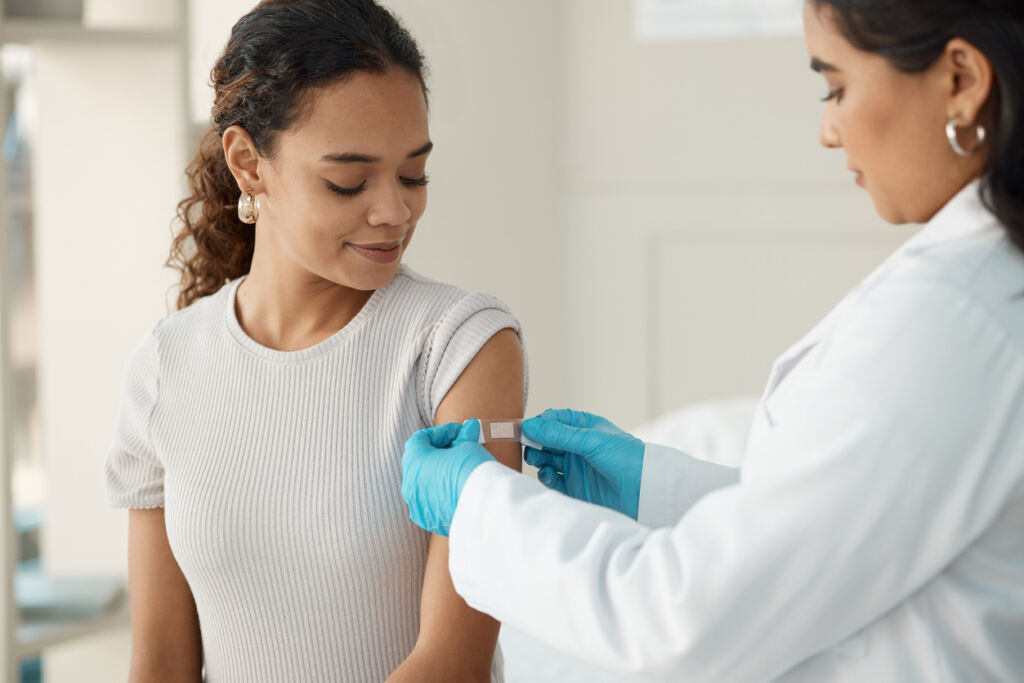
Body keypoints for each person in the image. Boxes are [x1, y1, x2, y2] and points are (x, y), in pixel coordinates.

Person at [401, 0, 1024, 680]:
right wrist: (657, 490)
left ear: (962, 79)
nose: (828, 130)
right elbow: (848, 531)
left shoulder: (951, 318)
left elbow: (686, 614)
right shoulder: (976, 292)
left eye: (836, 87)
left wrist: (481, 507)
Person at [104, 1, 526, 681]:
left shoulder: (459, 348)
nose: (394, 210)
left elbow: (452, 662)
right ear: (248, 164)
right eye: (348, 180)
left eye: (413, 173)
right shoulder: (164, 369)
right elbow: (159, 665)